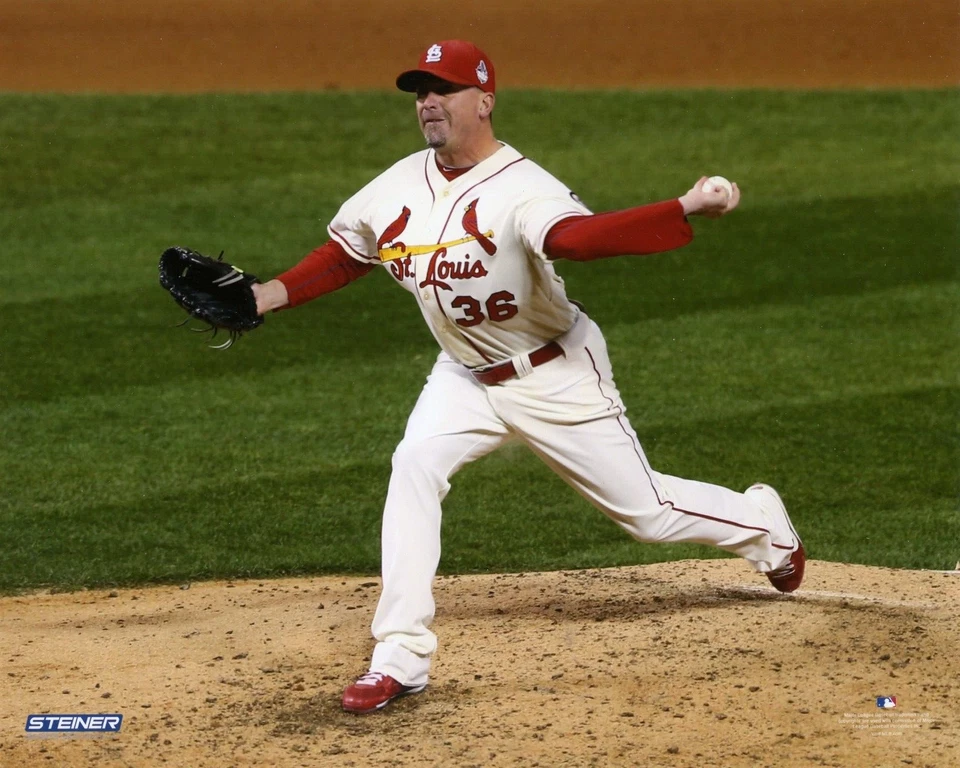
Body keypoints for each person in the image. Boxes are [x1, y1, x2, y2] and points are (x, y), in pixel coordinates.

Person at [252, 40, 805, 715]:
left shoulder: (524, 187)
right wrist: (263, 297)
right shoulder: (399, 182)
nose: (428, 102)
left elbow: (578, 239)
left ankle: (761, 524)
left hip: (554, 373)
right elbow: (346, 252)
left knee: (649, 514)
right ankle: (399, 655)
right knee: (415, 465)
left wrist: (681, 208)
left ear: (483, 101)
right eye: (420, 91)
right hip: (463, 375)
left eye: (444, 89)